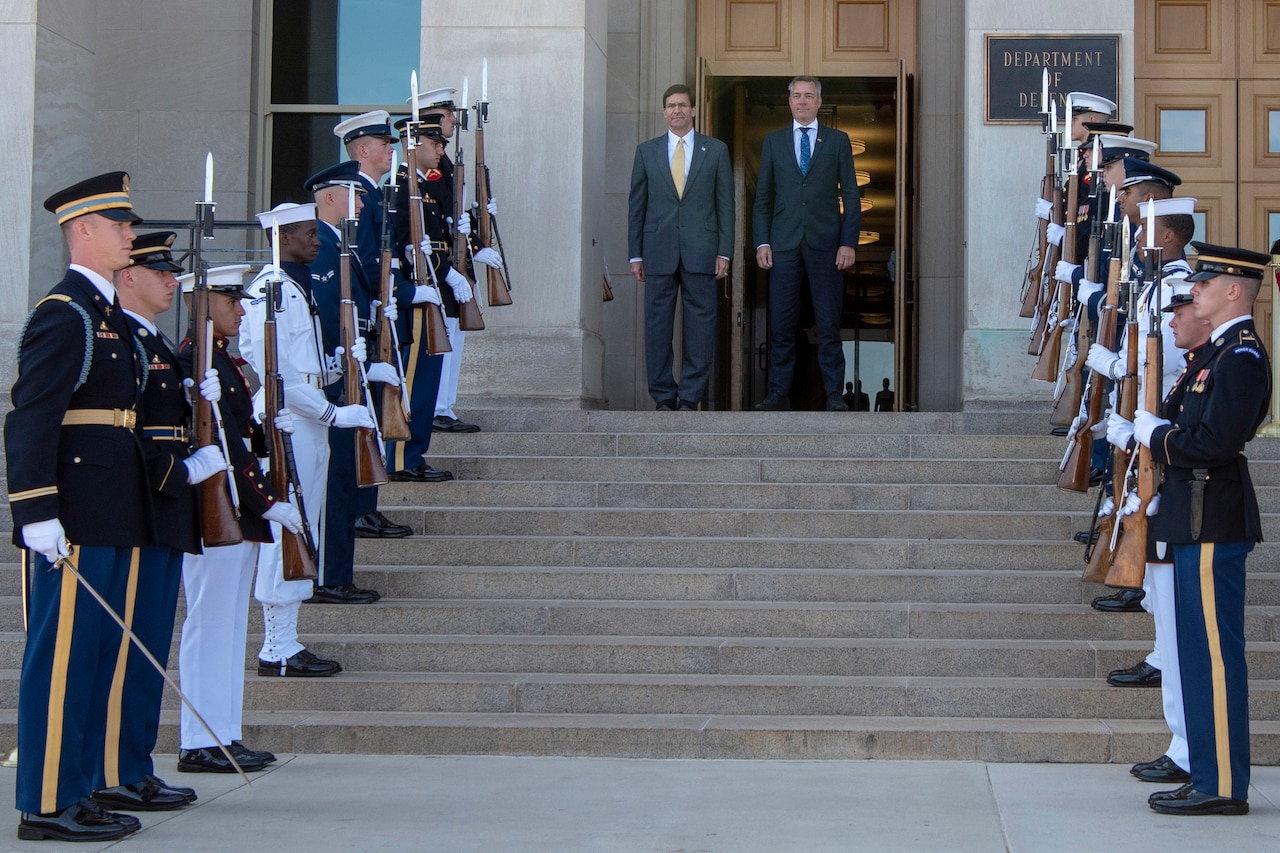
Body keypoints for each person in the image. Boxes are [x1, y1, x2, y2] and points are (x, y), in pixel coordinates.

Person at [5, 172, 219, 841]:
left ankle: (82, 786)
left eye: (130, 224)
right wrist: (35, 511)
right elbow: (31, 419)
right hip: (74, 512)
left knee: (97, 655)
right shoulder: (63, 314)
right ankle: (44, 802)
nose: (131, 233)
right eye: (120, 225)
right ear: (84, 232)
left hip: (113, 506)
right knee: (63, 656)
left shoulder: (106, 318)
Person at [1126, 242, 1272, 816]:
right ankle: (1206, 772)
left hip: (1213, 518)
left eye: (1204, 285)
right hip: (1194, 516)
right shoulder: (1216, 354)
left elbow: (1214, 443)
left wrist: (1155, 437)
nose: (1196, 293)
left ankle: (1223, 783)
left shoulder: (1241, 358)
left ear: (1233, 290)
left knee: (1213, 655)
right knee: (1196, 652)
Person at [92, 232, 216, 814]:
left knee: (147, 645)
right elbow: (124, 432)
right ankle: (116, 769)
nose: (173, 280)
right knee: (129, 646)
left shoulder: (153, 343)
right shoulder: (124, 343)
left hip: (164, 506)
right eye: (160, 271)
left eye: (172, 271)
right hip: (144, 498)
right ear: (127, 278)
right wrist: (180, 472)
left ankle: (134, 763)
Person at [176, 263, 302, 773]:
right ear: (204, 303)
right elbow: (219, 442)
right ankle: (199, 739)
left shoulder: (226, 363)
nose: (242, 309)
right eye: (231, 300)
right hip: (216, 513)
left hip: (235, 512)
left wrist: (268, 432)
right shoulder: (195, 362)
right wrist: (266, 500)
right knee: (209, 625)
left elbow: (239, 436)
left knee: (228, 628)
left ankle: (223, 733)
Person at [239, 203, 354, 676]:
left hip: (306, 417)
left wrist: (338, 366)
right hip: (289, 417)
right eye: (309, 233)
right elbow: (275, 368)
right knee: (287, 528)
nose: (317, 241)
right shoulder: (270, 289)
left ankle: (284, 641)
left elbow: (301, 362)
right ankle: (276, 646)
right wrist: (330, 409)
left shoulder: (292, 287)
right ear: (283, 236)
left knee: (304, 525)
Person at [1117, 288, 1213, 788]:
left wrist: (1153, 436)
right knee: (1174, 643)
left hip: (1190, 511)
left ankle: (1189, 750)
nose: (1173, 320)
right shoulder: (1193, 367)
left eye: (1181, 311)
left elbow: (1208, 444)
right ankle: (1181, 746)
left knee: (1185, 646)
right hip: (1169, 507)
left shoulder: (1225, 362)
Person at [306, 161, 399, 604]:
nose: (363, 201)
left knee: (344, 480)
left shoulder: (336, 246)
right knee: (336, 482)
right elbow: (325, 320)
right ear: (328, 198)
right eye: (354, 194)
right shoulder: (321, 250)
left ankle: (335, 573)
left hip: (351, 377)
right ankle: (328, 576)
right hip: (333, 384)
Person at [752, 75, 860, 411]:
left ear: (818, 101)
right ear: (789, 102)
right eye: (796, 96)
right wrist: (762, 242)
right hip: (782, 244)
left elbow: (852, 196)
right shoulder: (773, 141)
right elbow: (763, 198)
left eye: (808, 96)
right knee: (782, 324)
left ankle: (834, 394)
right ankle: (777, 393)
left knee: (828, 323)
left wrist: (849, 242)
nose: (802, 101)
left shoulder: (838, 140)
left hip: (827, 243)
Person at [332, 110, 416, 539]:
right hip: (369, 320)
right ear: (362, 150)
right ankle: (361, 508)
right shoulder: (356, 195)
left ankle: (368, 504)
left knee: (375, 411)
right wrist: (393, 295)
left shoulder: (375, 194)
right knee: (365, 413)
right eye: (384, 144)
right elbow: (365, 261)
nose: (392, 150)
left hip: (380, 315)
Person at [628, 82, 733, 411]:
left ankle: (689, 397)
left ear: (693, 111)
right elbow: (637, 206)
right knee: (657, 328)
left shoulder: (715, 150)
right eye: (671, 106)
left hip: (702, 251)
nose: (677, 110)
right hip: (657, 251)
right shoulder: (646, 151)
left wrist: (724, 251)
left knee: (701, 328)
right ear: (664, 112)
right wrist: (635, 254)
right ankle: (662, 396)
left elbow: (725, 205)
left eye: (682, 105)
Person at [415, 86, 498, 434]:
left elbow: (455, 216)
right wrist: (454, 267)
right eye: (448, 114)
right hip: (438, 269)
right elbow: (436, 225)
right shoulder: (425, 172)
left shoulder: (445, 164)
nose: (453, 120)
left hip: (451, 265)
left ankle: (443, 406)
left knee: (454, 337)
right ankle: (437, 408)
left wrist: (478, 238)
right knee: (442, 339)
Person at [387, 110, 463, 480]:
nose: (440, 150)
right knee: (414, 380)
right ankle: (403, 457)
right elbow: (404, 243)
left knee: (427, 379)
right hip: (415, 293)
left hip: (430, 290)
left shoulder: (424, 188)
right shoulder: (402, 186)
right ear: (414, 145)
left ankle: (414, 453)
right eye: (434, 143)